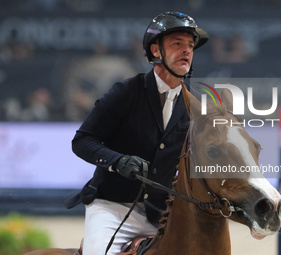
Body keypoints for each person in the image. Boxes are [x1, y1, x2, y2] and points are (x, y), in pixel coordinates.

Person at [68, 12, 208, 254]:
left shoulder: (194, 106)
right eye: (177, 44)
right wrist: (118, 161)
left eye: (190, 45)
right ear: (156, 51)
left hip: (162, 215)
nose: (187, 50)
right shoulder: (126, 92)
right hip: (112, 208)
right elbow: (82, 141)